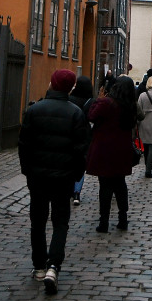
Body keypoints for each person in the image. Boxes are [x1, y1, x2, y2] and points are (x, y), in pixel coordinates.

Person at [18, 69, 88, 295]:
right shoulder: (76, 113)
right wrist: (76, 174)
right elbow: (80, 150)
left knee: (37, 221)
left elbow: (24, 145)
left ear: (52, 83)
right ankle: (53, 266)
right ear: (70, 88)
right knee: (60, 222)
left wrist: (27, 170)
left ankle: (39, 266)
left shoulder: (34, 110)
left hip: (37, 176)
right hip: (63, 177)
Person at [86, 74, 138, 232]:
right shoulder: (130, 106)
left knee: (105, 187)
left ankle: (104, 221)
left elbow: (91, 116)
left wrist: (98, 99)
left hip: (105, 149)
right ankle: (123, 219)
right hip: (122, 150)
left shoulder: (107, 103)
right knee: (120, 185)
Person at [68, 76, 94, 205]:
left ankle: (68, 189)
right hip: (84, 136)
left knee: (69, 162)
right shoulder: (91, 101)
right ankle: (77, 192)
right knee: (80, 164)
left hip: (69, 134)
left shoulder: (69, 99)